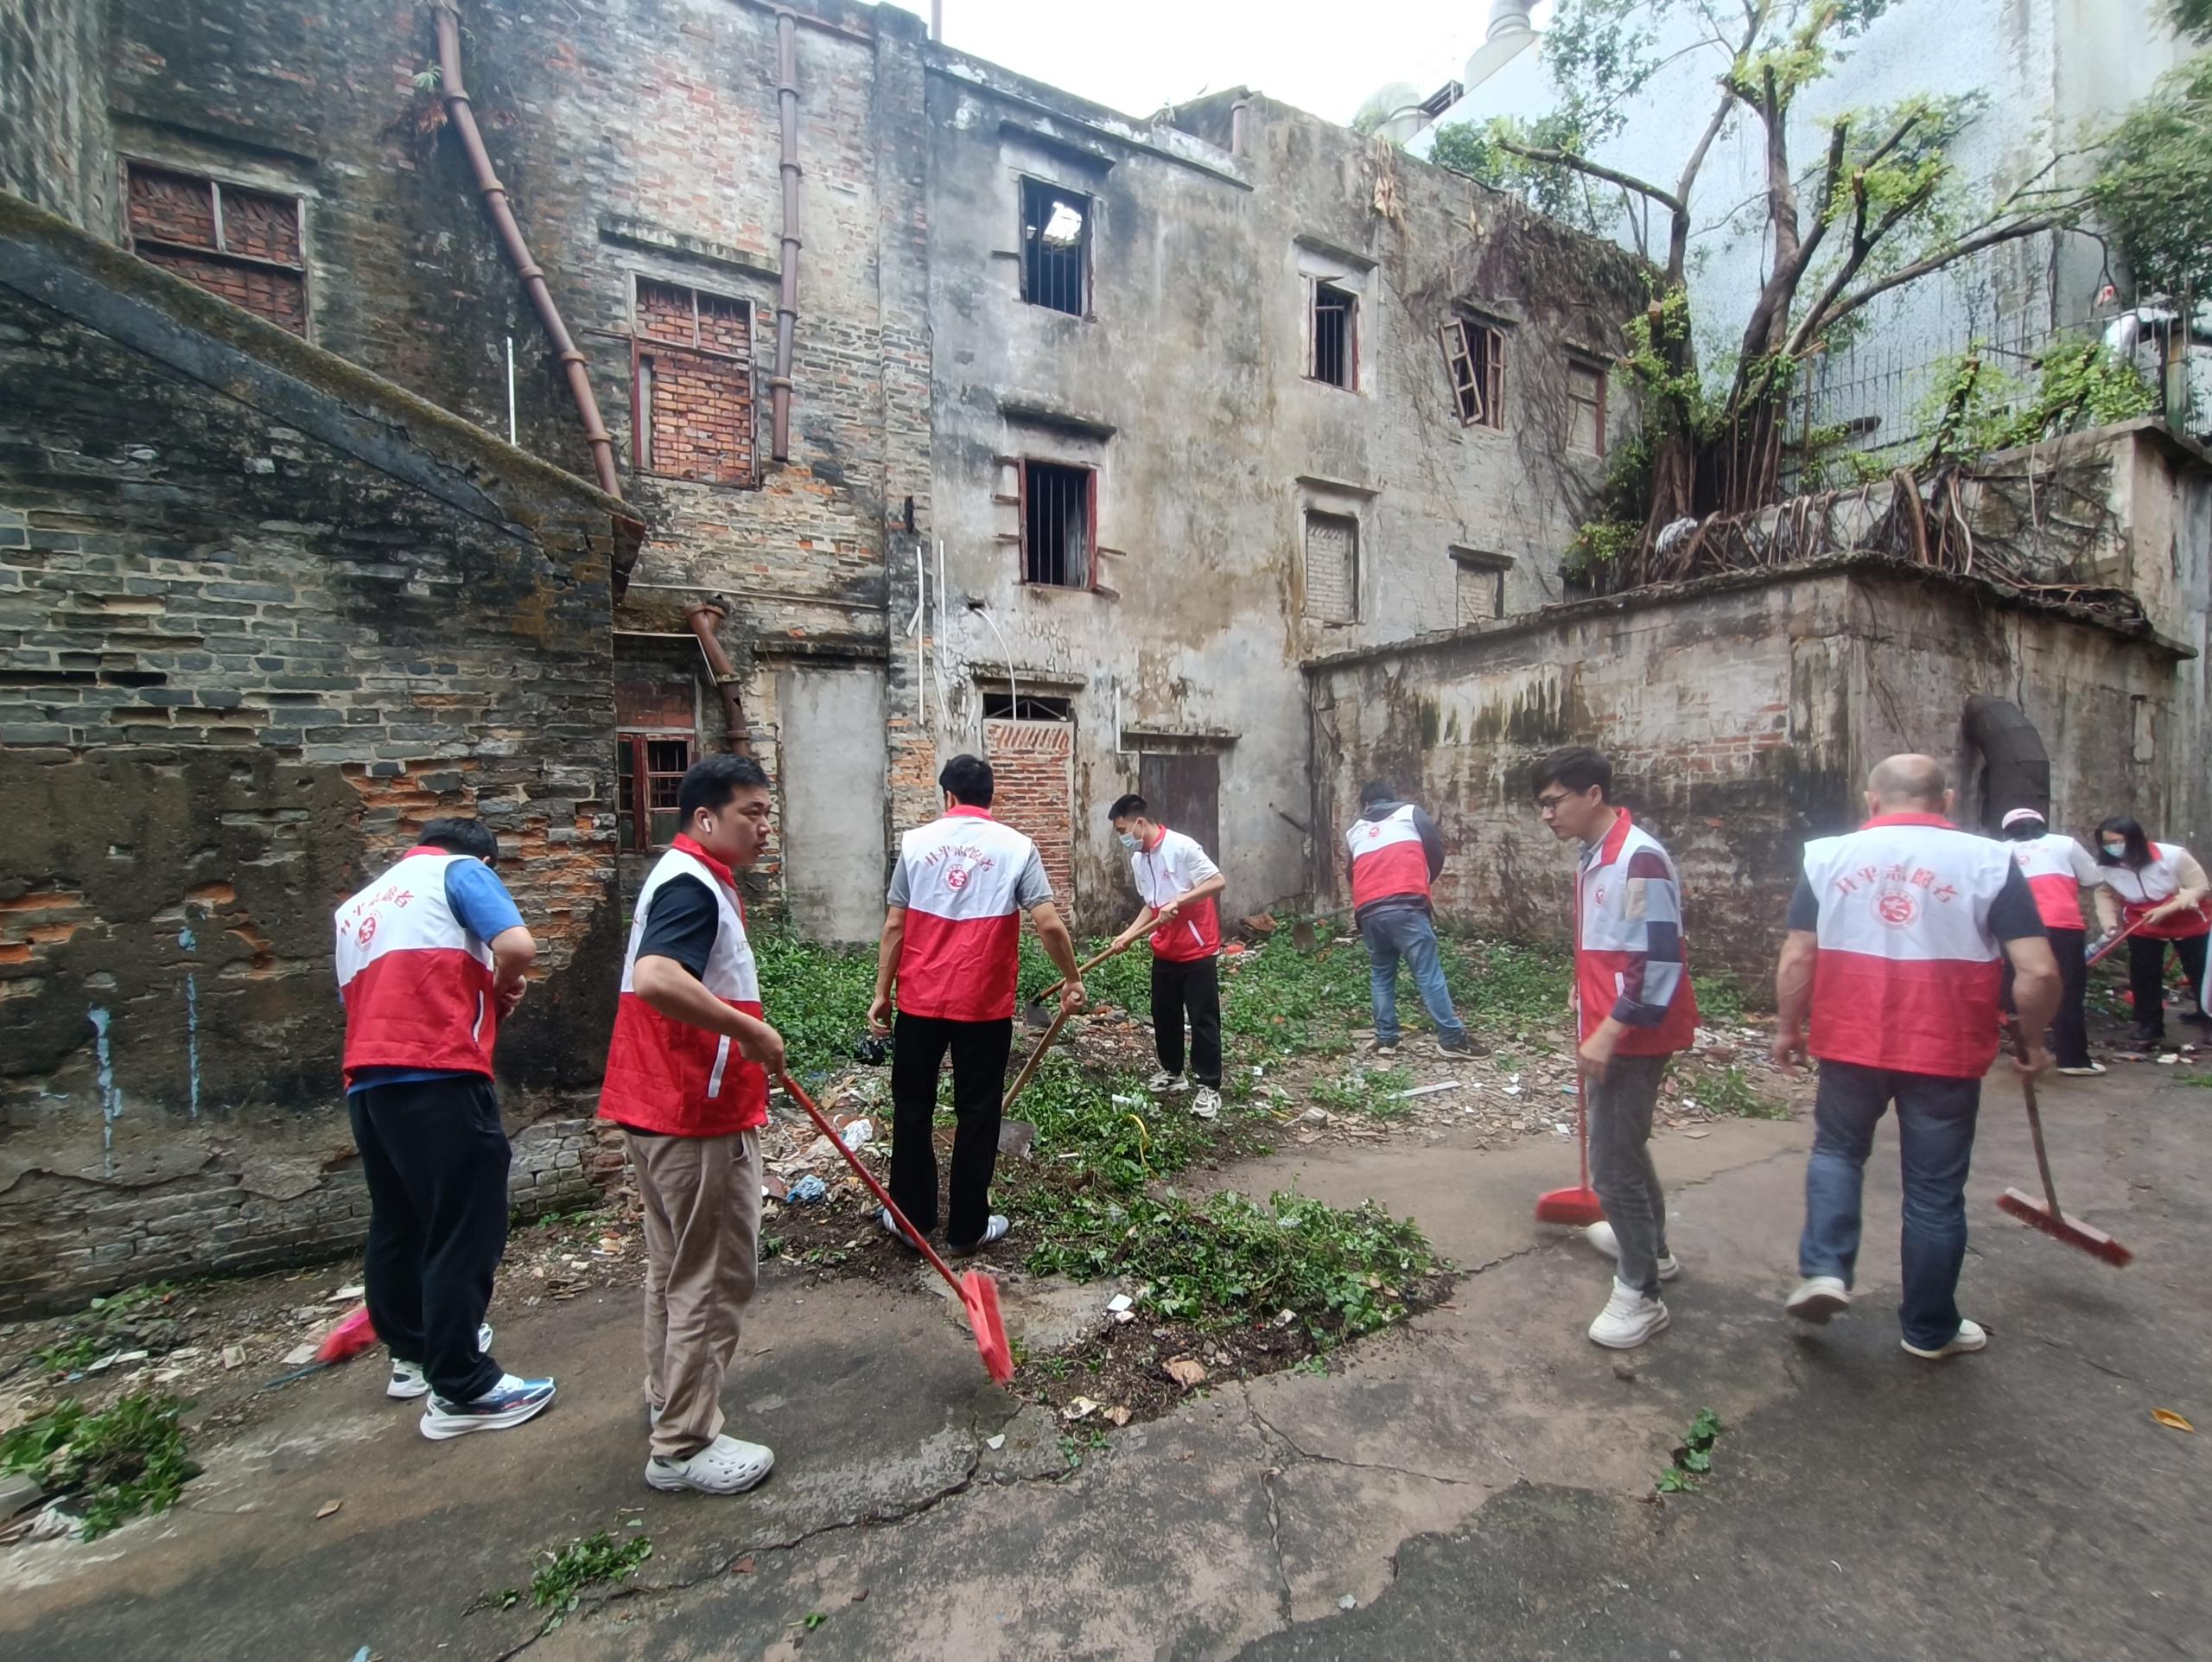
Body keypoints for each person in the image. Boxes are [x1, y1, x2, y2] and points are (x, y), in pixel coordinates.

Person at [1772, 755, 2058, 1362]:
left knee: (1838, 1152)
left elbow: (1799, 955)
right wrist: (2032, 1043)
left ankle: (1825, 1267)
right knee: (1933, 1193)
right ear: (1947, 800)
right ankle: (1929, 1329)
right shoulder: (1990, 860)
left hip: (1850, 1041)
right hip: (1946, 1048)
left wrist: (1788, 1028)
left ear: (1871, 801)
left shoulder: (1827, 856)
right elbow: (2037, 970)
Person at [599, 755, 786, 1495]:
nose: (764, 826)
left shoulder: (685, 876)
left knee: (673, 1269)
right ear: (705, 818)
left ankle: (667, 1395)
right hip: (695, 1114)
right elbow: (656, 978)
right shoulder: (690, 883)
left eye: (767, 812)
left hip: (658, 1106)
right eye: (752, 812)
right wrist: (750, 1031)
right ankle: (682, 1444)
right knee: (713, 1278)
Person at [333, 817, 554, 1439]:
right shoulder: (460, 872)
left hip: (368, 1082)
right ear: (484, 858)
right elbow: (517, 946)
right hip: (439, 1073)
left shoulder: (358, 905)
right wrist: (502, 989)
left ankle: (413, 1356)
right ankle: (462, 1385)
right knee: (465, 1225)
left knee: (398, 1221)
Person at [869, 755, 1085, 1253]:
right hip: (983, 1006)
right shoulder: (1018, 847)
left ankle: (911, 1220)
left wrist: (883, 993)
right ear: (991, 798)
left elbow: (894, 926)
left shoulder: (917, 844)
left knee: (913, 1106)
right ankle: (968, 1227)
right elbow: (1049, 924)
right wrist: (1071, 979)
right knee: (979, 1112)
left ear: (947, 795)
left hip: (920, 1002)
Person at [1531, 747, 1700, 1350]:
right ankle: (1650, 1246)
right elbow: (1614, 941)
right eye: (1542, 805)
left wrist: (1609, 1029)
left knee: (1611, 1162)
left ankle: (1641, 1291)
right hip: (1612, 1022)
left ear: (1593, 793)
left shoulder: (1639, 858)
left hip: (1634, 1033)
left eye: (1554, 801)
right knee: (1624, 1145)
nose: (1546, 815)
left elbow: (1658, 960)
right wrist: (1584, 986)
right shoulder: (1594, 857)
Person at [1106, 794, 1229, 1120]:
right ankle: (1173, 1072)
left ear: (1140, 823)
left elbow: (1217, 881)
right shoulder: (1139, 860)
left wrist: (1181, 900)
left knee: (1202, 1019)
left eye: (1123, 830)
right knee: (1164, 1014)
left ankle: (1208, 1087)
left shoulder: (1182, 847)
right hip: (1166, 948)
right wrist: (1128, 934)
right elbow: (1152, 904)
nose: (1122, 838)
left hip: (1197, 947)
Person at [1344, 780, 1476, 1058]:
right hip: (1406, 905)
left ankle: (1387, 1039)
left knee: (1381, 974)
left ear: (1366, 805)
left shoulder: (1355, 830)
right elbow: (1435, 852)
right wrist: (1423, 879)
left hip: (1368, 911)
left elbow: (1351, 873)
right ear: (1390, 798)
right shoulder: (1411, 813)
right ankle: (1451, 1038)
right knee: (1427, 972)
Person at [1999, 807, 2105, 1075]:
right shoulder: (2065, 844)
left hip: (2016, 927)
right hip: (2062, 924)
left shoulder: (2000, 851)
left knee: (2017, 990)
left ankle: (2024, 1053)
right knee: (2067, 990)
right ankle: (2073, 1059)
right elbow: (2093, 878)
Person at [2090, 815, 2211, 1047]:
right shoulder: (2106, 867)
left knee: (2201, 971)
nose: (2113, 848)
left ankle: (2208, 1018)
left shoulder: (2172, 856)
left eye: (2118, 841)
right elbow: (2103, 892)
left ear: (2135, 839)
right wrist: (2108, 921)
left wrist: (2168, 909)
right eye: (2107, 843)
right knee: (2144, 973)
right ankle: (2150, 1024)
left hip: (2187, 917)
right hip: (2142, 922)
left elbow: (2199, 886)